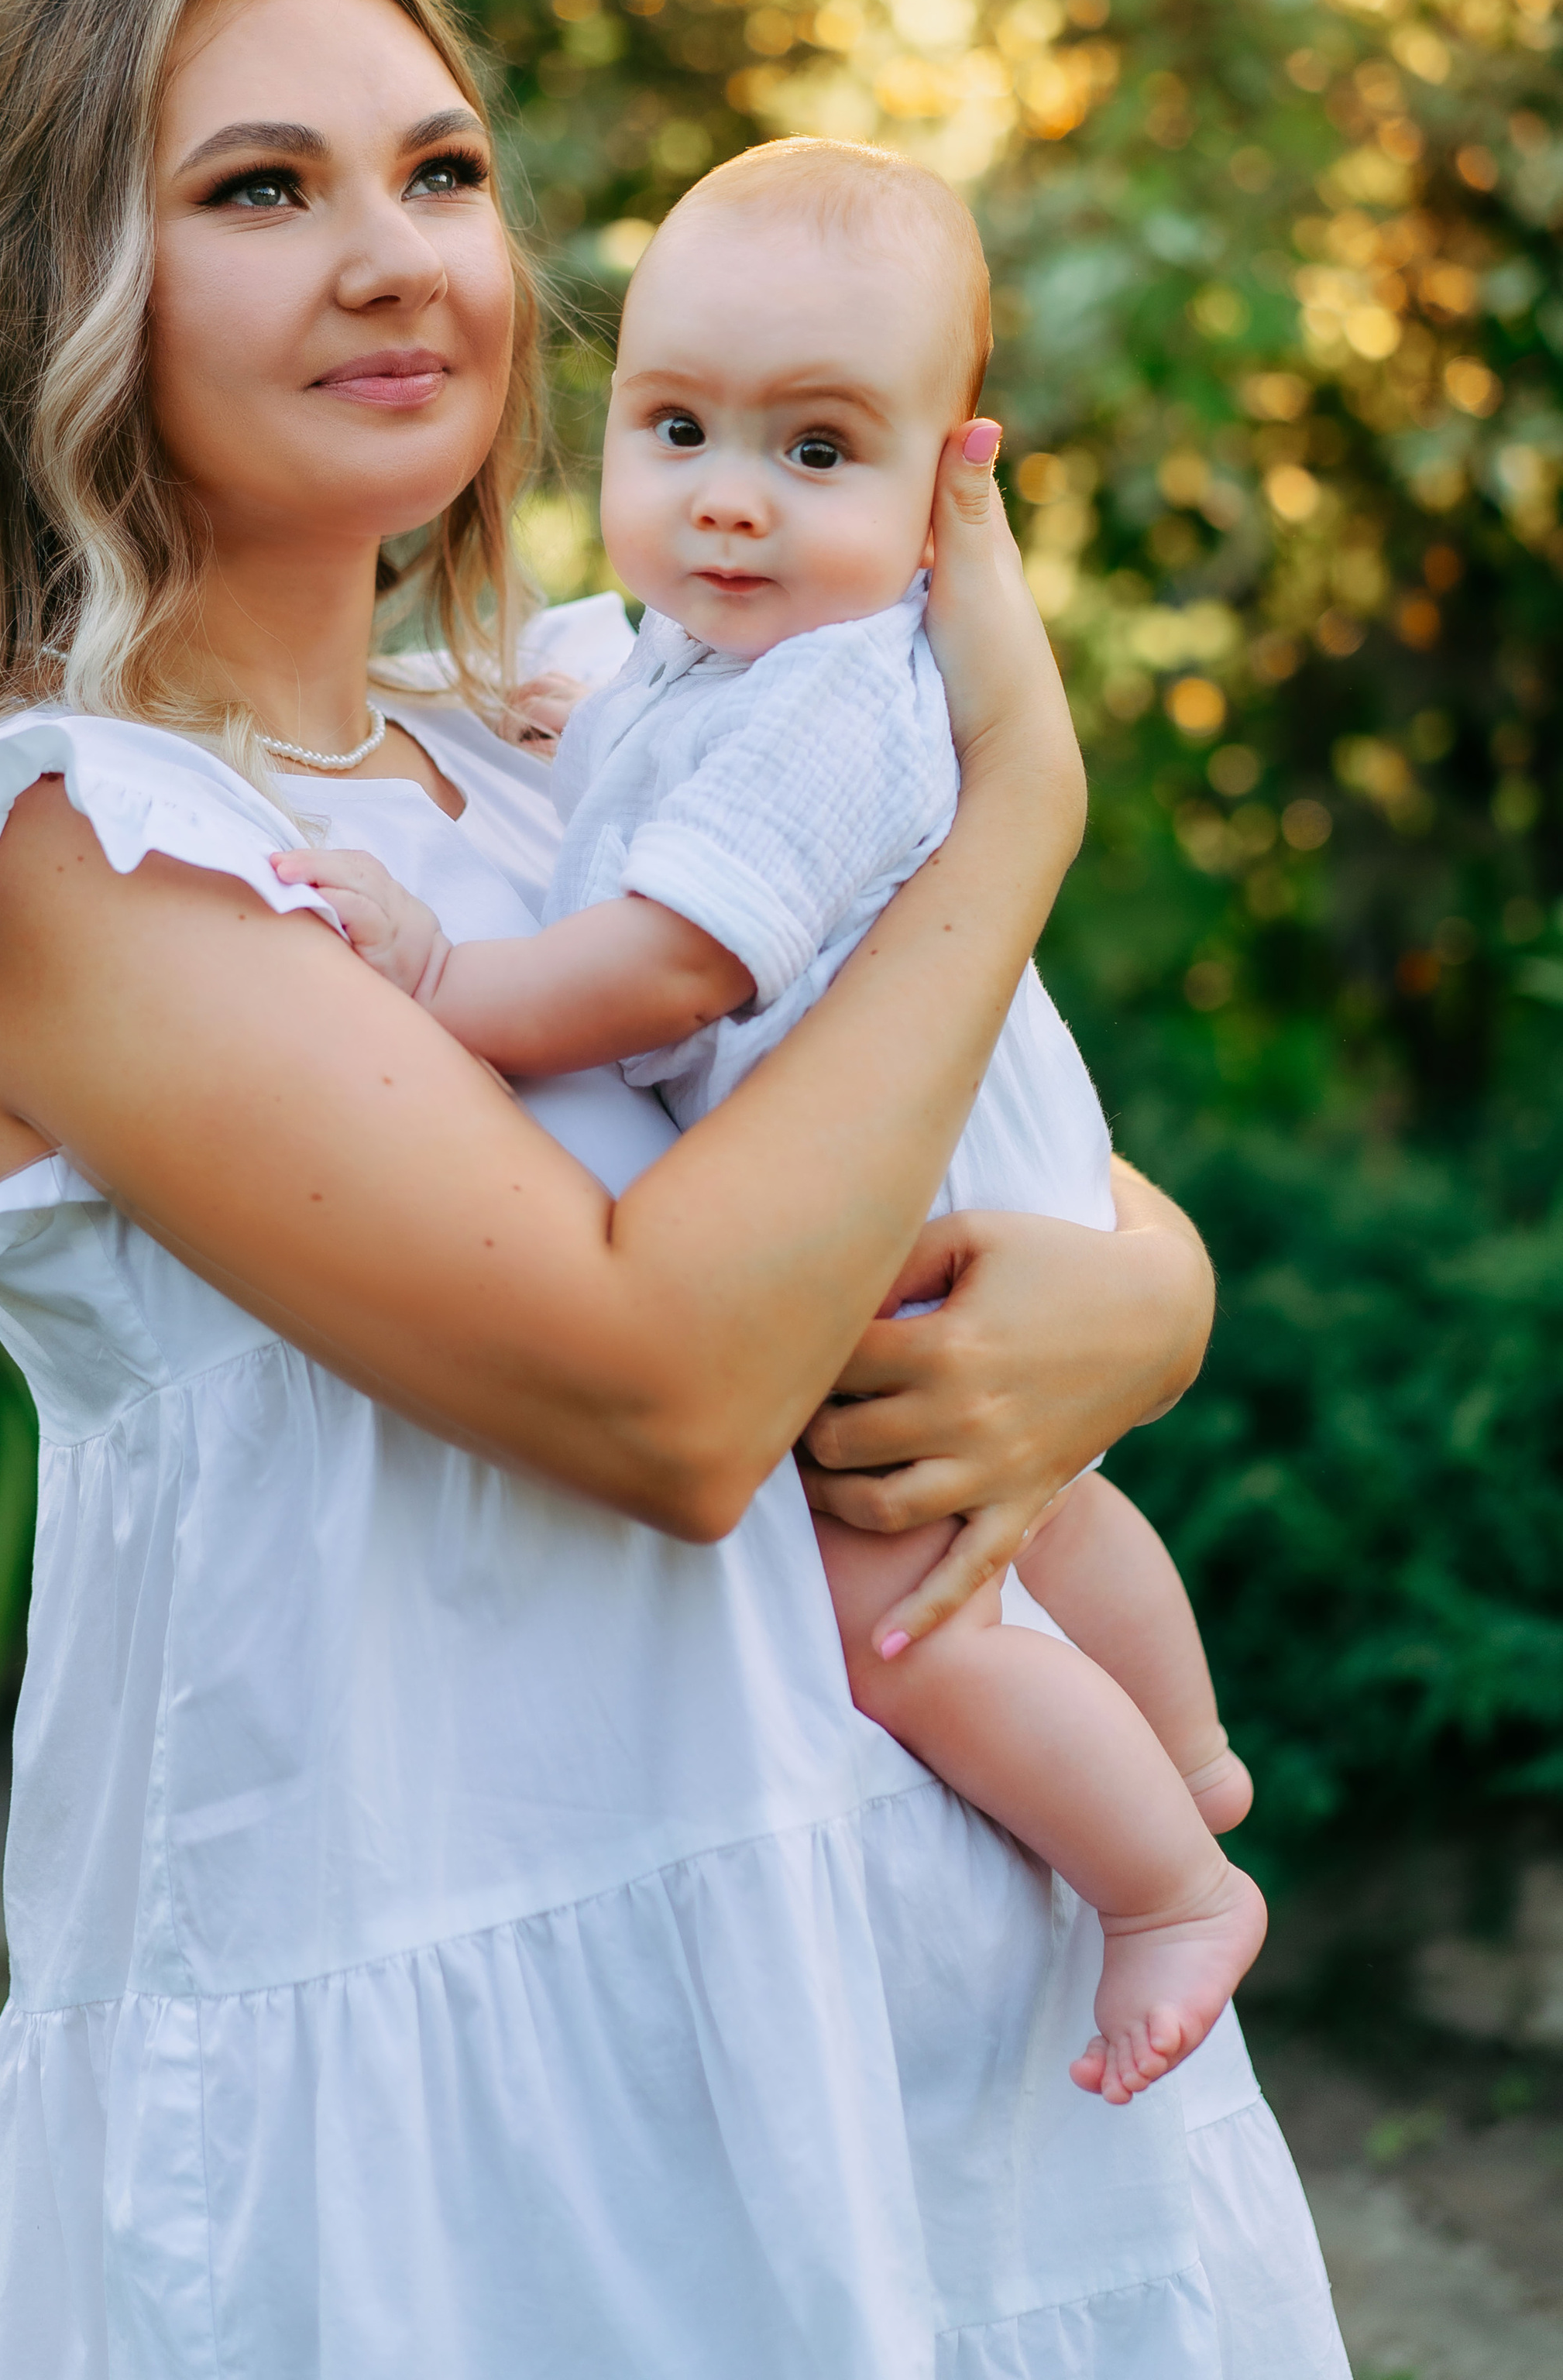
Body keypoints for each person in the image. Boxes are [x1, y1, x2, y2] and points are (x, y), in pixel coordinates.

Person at [0, 0, 1346, 2377]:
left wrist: (1150, 1301)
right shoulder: (83, 850)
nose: (395, 257)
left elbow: (1000, 1176)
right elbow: (676, 1393)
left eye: (445, 174)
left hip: (919, 1988)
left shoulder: (577, 731)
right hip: (471, 2077)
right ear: (65, 291)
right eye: (261, 188)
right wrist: (1024, 797)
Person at [271, 136, 1263, 2111]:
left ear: (943, 501)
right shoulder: (683, 656)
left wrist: (441, 979)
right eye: (676, 430)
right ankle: (1185, 1748)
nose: (728, 496)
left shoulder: (831, 697)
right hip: (956, 1173)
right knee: (1047, 1506)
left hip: (893, 1206)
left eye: (815, 451)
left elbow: (666, 970)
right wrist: (578, 727)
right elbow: (644, 754)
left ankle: (1167, 1883)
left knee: (898, 1608)